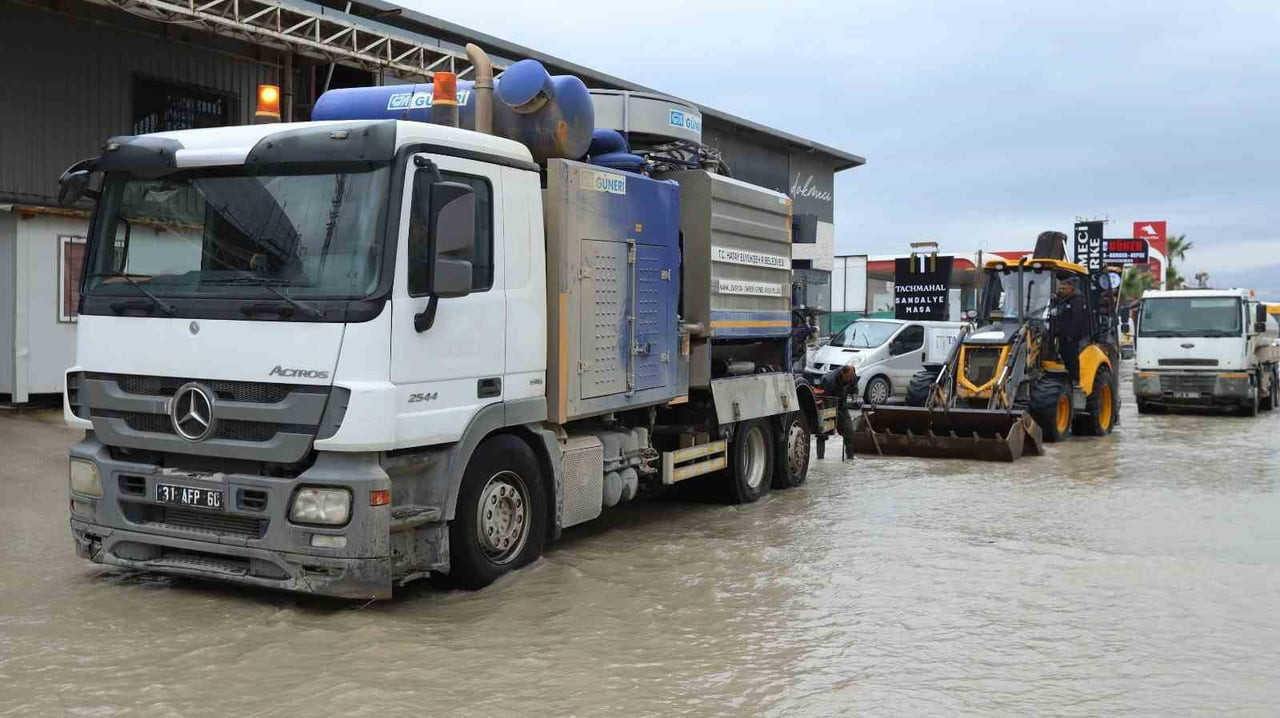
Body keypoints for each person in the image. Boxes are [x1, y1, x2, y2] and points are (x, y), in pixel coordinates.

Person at [1051, 278, 1089, 388]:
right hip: (1061, 335)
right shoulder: (1062, 300)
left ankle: (1075, 380)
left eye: (1064, 288)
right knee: (1062, 357)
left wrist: (1071, 336)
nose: (1061, 290)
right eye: (1060, 288)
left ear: (1071, 288)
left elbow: (1078, 320)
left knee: (1071, 358)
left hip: (1072, 337)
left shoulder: (1077, 301)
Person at [819, 364, 859, 460]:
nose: (850, 379)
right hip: (828, 406)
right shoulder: (829, 380)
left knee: (849, 431)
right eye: (848, 377)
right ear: (842, 373)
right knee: (822, 434)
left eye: (852, 377)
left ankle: (850, 458)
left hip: (842, 407)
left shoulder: (852, 377)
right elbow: (823, 398)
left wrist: (854, 400)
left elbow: (854, 390)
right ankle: (820, 458)